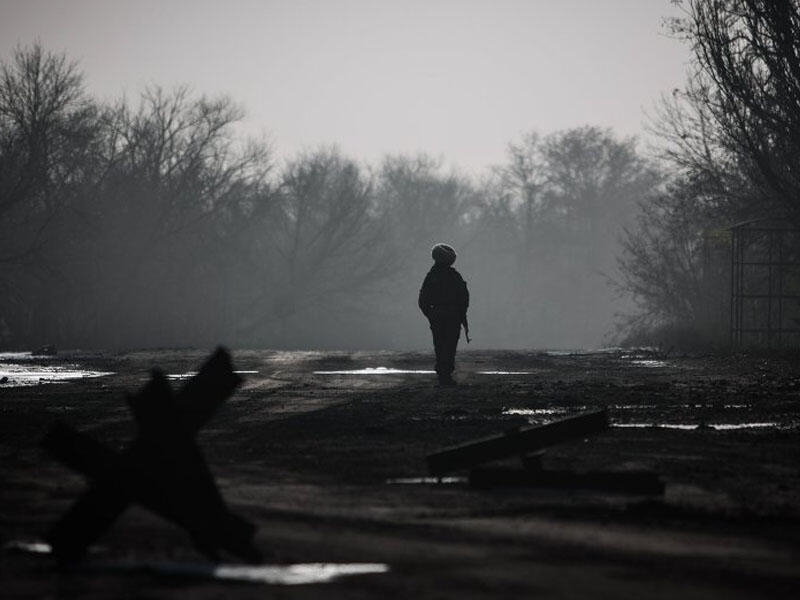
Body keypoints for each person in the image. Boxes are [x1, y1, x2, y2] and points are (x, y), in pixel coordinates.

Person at [418, 243, 470, 386]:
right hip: (452, 315)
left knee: (439, 343)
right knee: (450, 344)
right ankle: (446, 372)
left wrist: (430, 314)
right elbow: (464, 297)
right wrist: (461, 314)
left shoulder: (431, 276)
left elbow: (423, 299)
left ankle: (443, 373)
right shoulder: (454, 276)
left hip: (437, 315)